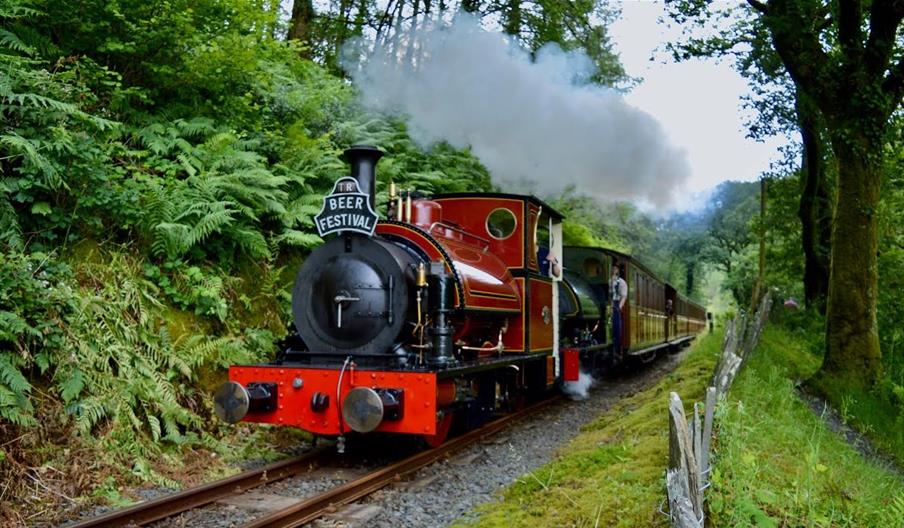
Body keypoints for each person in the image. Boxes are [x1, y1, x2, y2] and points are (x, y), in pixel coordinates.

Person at [610, 265, 627, 355]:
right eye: (612, 268)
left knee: (617, 326)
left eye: (615, 268)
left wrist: (619, 307)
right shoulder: (608, 281)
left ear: (617, 270)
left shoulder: (621, 282)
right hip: (608, 302)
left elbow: (624, 296)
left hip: (616, 303)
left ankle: (617, 346)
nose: (613, 270)